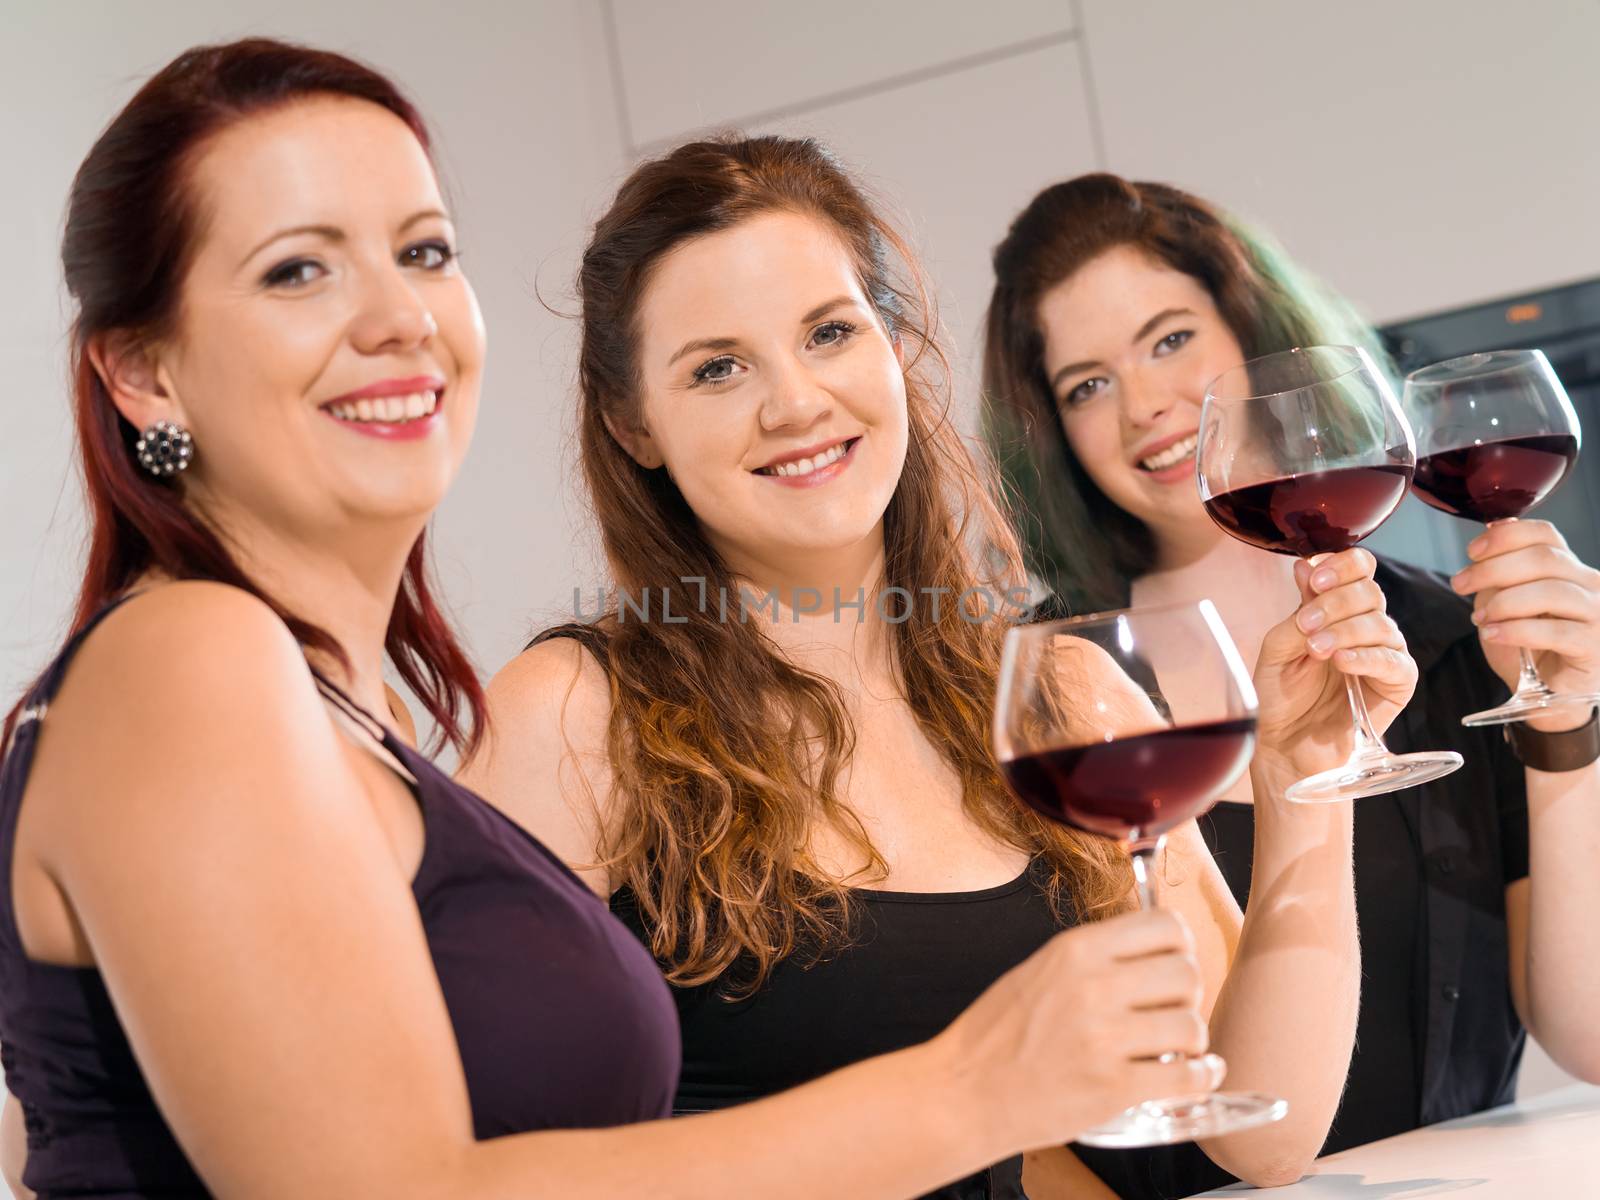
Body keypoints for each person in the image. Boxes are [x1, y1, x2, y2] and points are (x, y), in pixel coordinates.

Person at [0, 42, 1230, 1199]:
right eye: (297, 270)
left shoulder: (316, 701)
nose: (397, 318)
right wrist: (967, 1090)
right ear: (143, 372)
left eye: (423, 251)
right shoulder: (191, 659)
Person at [463, 135, 1409, 1200]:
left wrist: (1302, 786)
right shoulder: (580, 718)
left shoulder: (1058, 690)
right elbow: (472, 1169)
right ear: (634, 424)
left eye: (829, 332)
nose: (796, 403)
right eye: (717, 367)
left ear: (894, 350)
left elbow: (1262, 1131)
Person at [982, 172, 1600, 1197]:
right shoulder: (1045, 698)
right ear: (1052, 433)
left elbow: (1586, 1035)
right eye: (1085, 384)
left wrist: (1568, 724)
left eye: (1170, 339)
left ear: (1259, 337)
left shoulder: (1453, 644)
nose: (1145, 405)